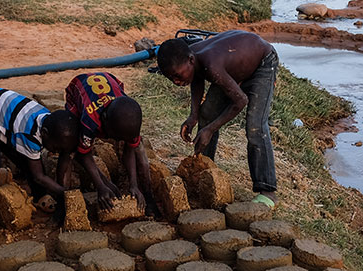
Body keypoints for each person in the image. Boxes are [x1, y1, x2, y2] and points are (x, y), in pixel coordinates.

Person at [156, 31, 278, 208]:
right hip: (233, 66)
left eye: (177, 75)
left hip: (262, 62)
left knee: (255, 126)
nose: (176, 81)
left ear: (191, 60)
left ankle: (267, 191)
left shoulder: (211, 65)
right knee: (207, 114)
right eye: (171, 78)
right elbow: (196, 79)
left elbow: (241, 100)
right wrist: (193, 116)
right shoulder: (193, 58)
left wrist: (211, 129)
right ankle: (204, 172)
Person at [0, 88, 78, 217]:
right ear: (44, 133)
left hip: (0, 114)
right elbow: (38, 176)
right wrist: (63, 193)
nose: (55, 152)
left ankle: (40, 196)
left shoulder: (48, 120)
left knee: (27, 158)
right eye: (55, 148)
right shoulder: (29, 133)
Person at [63, 72, 153, 210]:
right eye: (115, 136)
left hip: (110, 81)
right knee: (74, 143)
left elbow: (130, 149)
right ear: (104, 120)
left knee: (133, 146)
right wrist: (101, 185)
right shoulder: (90, 119)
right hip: (78, 88)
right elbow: (84, 155)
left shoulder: (130, 118)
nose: (115, 141)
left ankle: (148, 196)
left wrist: (134, 185)